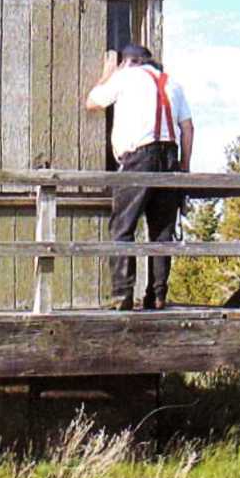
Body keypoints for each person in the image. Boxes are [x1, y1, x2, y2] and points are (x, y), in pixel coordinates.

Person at [84, 44, 194, 310]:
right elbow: (187, 128)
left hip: (139, 158)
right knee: (162, 232)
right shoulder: (173, 84)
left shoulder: (125, 77)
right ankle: (157, 296)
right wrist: (184, 168)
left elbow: (92, 102)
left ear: (127, 62)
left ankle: (122, 294)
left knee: (123, 228)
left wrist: (107, 73)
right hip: (170, 157)